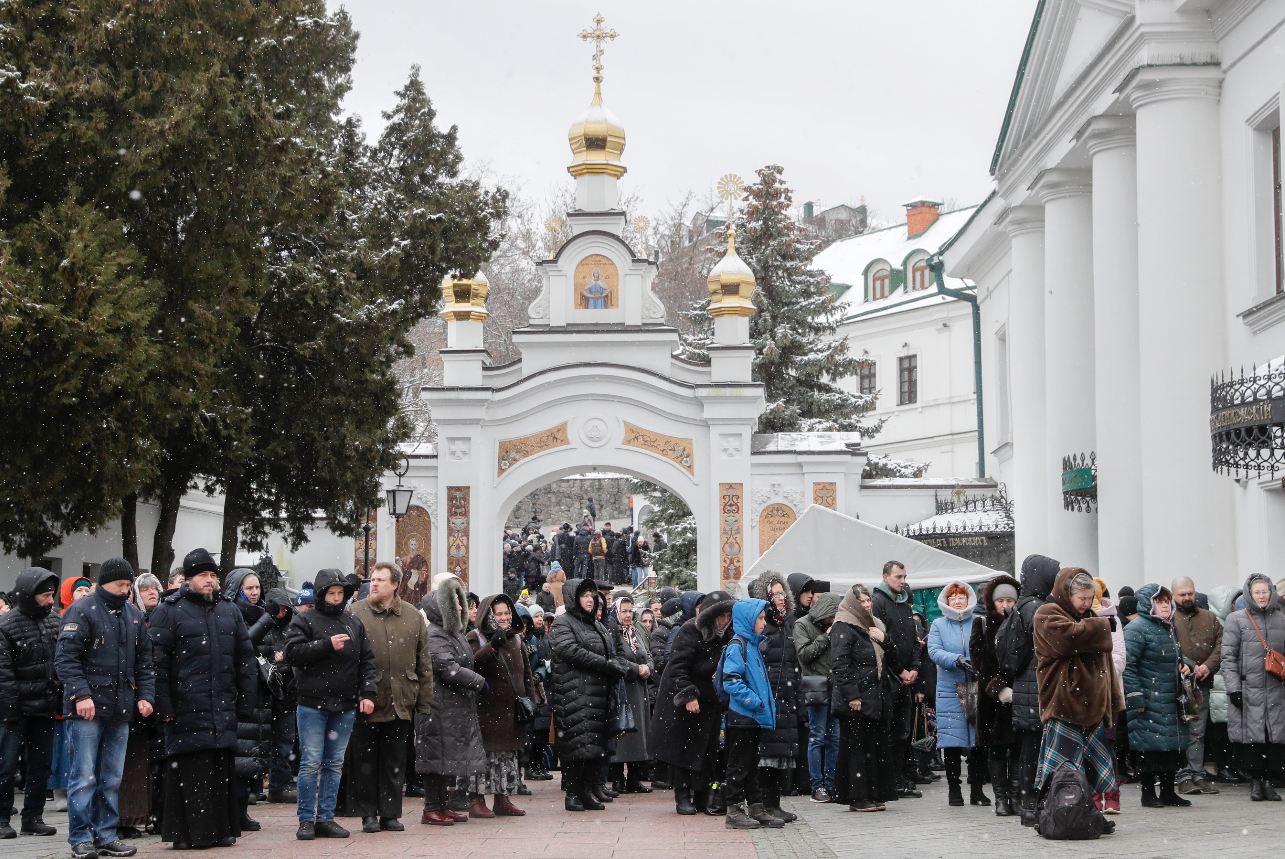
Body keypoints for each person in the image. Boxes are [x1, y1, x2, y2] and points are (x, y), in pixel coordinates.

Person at [147, 552, 257, 850]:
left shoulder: (228, 610)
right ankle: (187, 833)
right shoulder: (168, 611)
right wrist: (164, 707)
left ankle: (220, 830)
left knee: (220, 771)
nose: (210, 581)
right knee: (188, 774)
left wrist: (246, 702)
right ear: (189, 579)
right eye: (203, 576)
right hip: (185, 708)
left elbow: (244, 660)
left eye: (213, 575)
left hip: (221, 707)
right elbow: (156, 665)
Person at [55, 558, 155, 859]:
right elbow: (65, 659)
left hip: (120, 709)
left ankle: (106, 834)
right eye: (120, 585)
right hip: (86, 710)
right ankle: (81, 838)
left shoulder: (134, 615)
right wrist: (81, 694)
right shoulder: (81, 610)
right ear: (104, 583)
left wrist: (145, 696)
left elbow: (145, 663)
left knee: (111, 777)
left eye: (128, 586)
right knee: (83, 777)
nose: (125, 591)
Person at [284, 568, 377, 840]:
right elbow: (292, 653)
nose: (336, 599)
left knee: (334, 763)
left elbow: (367, 661)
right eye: (331, 593)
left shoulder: (353, 622)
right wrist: (325, 645)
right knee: (311, 761)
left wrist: (368, 693)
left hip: (345, 705)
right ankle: (305, 819)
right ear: (321, 594)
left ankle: (326, 817)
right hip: (312, 703)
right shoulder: (305, 619)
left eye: (340, 594)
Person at [1032, 567, 1122, 832]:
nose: (1086, 604)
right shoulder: (1047, 613)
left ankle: (1088, 815)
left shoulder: (1089, 618)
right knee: (1061, 772)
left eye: (1089, 598)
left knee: (1090, 771)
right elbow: (1067, 639)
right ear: (1066, 593)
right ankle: (1053, 814)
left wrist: (1111, 700)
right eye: (1082, 598)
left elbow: (1105, 663)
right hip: (1064, 704)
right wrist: (1103, 626)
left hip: (1091, 706)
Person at [347, 562, 433, 833]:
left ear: (395, 584)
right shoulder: (355, 613)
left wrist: (424, 702)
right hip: (368, 699)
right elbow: (349, 660)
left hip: (401, 700)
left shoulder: (412, 616)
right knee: (365, 762)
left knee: (395, 761)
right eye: (372, 579)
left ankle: (390, 813)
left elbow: (424, 663)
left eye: (380, 580)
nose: (374, 584)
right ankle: (368, 814)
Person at [549, 579, 637, 811]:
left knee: (594, 748)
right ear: (573, 598)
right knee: (578, 746)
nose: (590, 599)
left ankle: (587, 791)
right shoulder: (562, 624)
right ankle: (572, 794)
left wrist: (619, 665)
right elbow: (571, 651)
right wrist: (607, 665)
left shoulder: (597, 625)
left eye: (592, 595)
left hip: (599, 695)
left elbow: (613, 650)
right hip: (574, 694)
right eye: (585, 595)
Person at [649, 593, 734, 815]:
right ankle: (682, 795)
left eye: (728, 616)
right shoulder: (690, 630)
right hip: (686, 701)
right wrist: (689, 695)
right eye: (721, 616)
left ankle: (703, 797)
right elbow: (677, 666)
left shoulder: (726, 636)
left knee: (707, 752)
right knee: (684, 751)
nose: (725, 620)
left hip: (710, 702)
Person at [415, 576, 486, 826]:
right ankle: (431, 808)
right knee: (435, 759)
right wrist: (478, 681)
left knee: (446, 758)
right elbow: (446, 667)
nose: (460, 607)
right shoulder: (435, 634)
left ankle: (443, 805)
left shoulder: (452, 633)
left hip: (451, 706)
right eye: (455, 603)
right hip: (436, 705)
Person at [0, 568, 62, 839]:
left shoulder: (55, 621)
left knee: (41, 765)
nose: (51, 600)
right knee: (6, 766)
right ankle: (2, 819)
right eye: (45, 595)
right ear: (30, 594)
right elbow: (4, 673)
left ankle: (32, 818)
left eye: (52, 595)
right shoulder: (7, 626)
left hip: (45, 707)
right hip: (14, 709)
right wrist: (11, 709)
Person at [466, 593, 540, 817]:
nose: (505, 617)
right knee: (482, 757)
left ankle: (502, 798)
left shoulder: (516, 638)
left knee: (506, 757)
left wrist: (531, 698)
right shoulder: (475, 636)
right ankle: (476, 801)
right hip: (485, 710)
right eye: (499, 614)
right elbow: (472, 665)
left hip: (510, 711)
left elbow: (526, 672)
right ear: (489, 615)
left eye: (507, 613)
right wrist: (493, 647)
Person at [1122, 584, 1193, 808]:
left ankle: (1168, 792)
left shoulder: (1170, 627)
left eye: (1166, 601)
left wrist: (1186, 665)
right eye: (1160, 601)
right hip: (1148, 698)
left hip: (1170, 696)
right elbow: (1128, 666)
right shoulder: (1136, 629)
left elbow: (1178, 656)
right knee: (1148, 747)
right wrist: (1136, 698)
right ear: (1148, 604)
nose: (1165, 605)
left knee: (1171, 746)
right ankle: (1147, 793)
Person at [1006, 553, 1061, 825]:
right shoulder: (1037, 608)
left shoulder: (1023, 604)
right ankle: (1033, 805)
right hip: (1036, 687)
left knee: (1030, 748)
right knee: (1035, 750)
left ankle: (1030, 804)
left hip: (1027, 687)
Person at [1221, 573, 1285, 801]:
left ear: (1271, 593)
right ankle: (1255, 782)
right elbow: (1228, 658)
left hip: (1276, 689)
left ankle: (1269, 781)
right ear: (1249, 594)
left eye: (1265, 591)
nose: (1261, 596)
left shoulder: (1281, 619)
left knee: (1273, 736)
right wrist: (1234, 689)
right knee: (1252, 738)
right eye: (1257, 592)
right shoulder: (1236, 619)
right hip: (1249, 689)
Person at [830, 585, 892, 812]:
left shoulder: (874, 625)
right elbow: (840, 664)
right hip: (855, 700)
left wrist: (884, 639)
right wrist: (852, 695)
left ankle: (873, 793)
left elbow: (889, 657)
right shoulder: (843, 625)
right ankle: (857, 796)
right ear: (853, 604)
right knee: (855, 749)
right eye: (862, 602)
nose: (867, 605)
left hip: (874, 697)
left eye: (868, 601)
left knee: (873, 747)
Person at [221, 568, 273, 832]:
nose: (254, 593)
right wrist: (266, 621)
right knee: (240, 756)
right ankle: (234, 811)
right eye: (249, 588)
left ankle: (241, 810)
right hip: (240, 694)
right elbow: (243, 644)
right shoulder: (231, 613)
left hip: (259, 694)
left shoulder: (261, 613)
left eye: (257, 588)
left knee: (253, 756)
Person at [928, 581, 989, 807]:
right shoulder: (938, 625)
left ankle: (977, 790)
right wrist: (956, 660)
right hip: (949, 690)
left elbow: (987, 650)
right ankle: (954, 790)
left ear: (968, 599)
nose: (956, 601)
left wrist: (978, 662)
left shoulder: (979, 622)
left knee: (978, 743)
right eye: (952, 598)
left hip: (977, 688)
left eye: (960, 597)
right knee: (952, 743)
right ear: (946, 601)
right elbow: (934, 650)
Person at [721, 597, 779, 830]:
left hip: (752, 717)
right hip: (743, 717)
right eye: (761, 618)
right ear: (748, 620)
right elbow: (731, 681)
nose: (764, 623)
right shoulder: (739, 645)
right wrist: (755, 702)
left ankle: (755, 806)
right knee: (739, 765)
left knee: (751, 765)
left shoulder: (751, 644)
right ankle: (734, 810)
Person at [748, 572, 801, 823]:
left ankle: (774, 804)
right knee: (766, 756)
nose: (780, 598)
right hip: (767, 699)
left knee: (781, 755)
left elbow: (793, 663)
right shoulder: (761, 625)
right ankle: (762, 805)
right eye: (775, 593)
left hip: (785, 698)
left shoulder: (786, 624)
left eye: (783, 593)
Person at [970, 574, 1021, 817]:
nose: (1005, 605)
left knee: (1019, 749)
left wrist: (1013, 686)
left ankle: (1016, 795)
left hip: (1018, 695)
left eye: (1010, 600)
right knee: (997, 748)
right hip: (992, 698)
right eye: (1000, 600)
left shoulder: (1022, 623)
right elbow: (979, 661)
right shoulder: (981, 623)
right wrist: (998, 687)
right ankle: (1001, 798)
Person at [870, 561, 922, 798]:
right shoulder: (879, 602)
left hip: (905, 678)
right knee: (890, 731)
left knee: (903, 731)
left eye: (904, 576)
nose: (902, 581)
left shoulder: (904, 603)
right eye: (898, 576)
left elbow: (913, 639)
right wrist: (900, 670)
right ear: (885, 577)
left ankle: (900, 776)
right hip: (889, 678)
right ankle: (889, 778)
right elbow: (881, 641)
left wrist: (914, 668)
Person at [1170, 576, 1222, 795]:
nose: (1187, 597)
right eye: (1182, 594)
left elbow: (1221, 645)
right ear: (1173, 595)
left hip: (1201, 684)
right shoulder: (1168, 619)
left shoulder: (1210, 618)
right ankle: (1182, 775)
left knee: (1198, 732)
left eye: (1190, 593)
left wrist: (1207, 666)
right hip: (1176, 685)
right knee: (1179, 732)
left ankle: (1198, 774)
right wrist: (1185, 665)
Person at [793, 589, 840, 803]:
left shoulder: (834, 625)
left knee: (834, 739)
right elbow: (804, 654)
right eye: (831, 615)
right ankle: (817, 786)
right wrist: (826, 637)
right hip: (816, 688)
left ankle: (831, 783)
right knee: (817, 737)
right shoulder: (802, 625)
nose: (832, 620)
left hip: (835, 688)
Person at [607, 597, 654, 793]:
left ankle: (634, 778)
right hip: (623, 690)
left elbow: (649, 655)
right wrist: (636, 668)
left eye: (630, 611)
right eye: (624, 611)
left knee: (639, 735)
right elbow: (616, 659)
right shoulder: (612, 634)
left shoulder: (636, 633)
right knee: (622, 734)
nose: (627, 615)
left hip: (639, 690)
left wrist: (648, 668)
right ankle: (618, 779)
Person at [1205, 585, 1242, 784]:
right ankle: (1224, 766)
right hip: (1218, 682)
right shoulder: (1216, 623)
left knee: (1232, 726)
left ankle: (1232, 766)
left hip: (1228, 680)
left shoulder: (1234, 621)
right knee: (1221, 727)